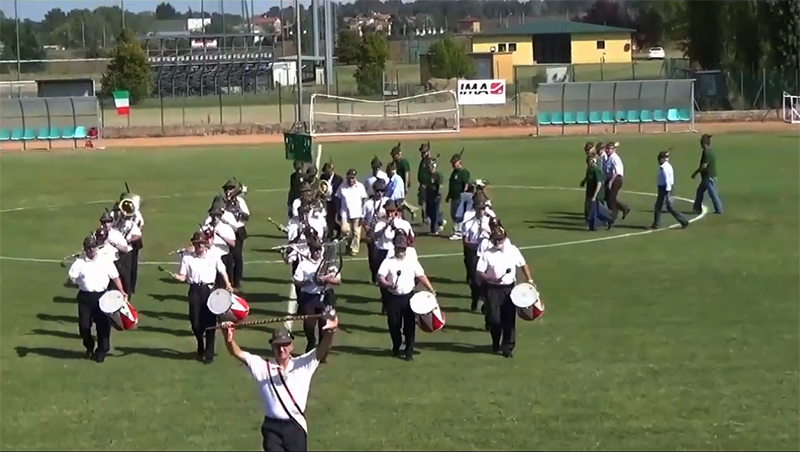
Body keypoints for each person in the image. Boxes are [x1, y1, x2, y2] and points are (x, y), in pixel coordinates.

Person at [220, 310, 339, 452]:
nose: (282, 349)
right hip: (272, 428)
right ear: (272, 347)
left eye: (285, 345)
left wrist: (331, 331)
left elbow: (323, 348)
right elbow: (237, 352)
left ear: (291, 346)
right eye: (278, 346)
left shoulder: (304, 364)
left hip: (295, 426)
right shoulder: (263, 367)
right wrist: (228, 338)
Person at [170, 231, 234, 364]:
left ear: (205, 244)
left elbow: (222, 271)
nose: (199, 246)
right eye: (196, 244)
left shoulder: (214, 256)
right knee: (195, 322)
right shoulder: (187, 258)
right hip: (195, 290)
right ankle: (200, 342)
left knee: (210, 323)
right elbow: (184, 276)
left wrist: (228, 284)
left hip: (209, 290)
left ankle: (209, 355)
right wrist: (178, 277)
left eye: (201, 244)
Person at [67, 233, 128, 363]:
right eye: (89, 248)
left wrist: (122, 291)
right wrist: (71, 281)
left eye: (93, 247)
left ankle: (101, 351)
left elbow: (115, 277)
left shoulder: (105, 261)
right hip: (85, 297)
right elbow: (71, 279)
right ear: (85, 249)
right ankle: (89, 346)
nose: (92, 250)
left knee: (103, 326)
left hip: (102, 297)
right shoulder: (79, 263)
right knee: (84, 326)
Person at [476, 227, 534, 358]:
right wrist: (489, 278)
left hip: (509, 289)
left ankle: (508, 347)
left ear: (504, 238)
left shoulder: (513, 250)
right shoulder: (487, 253)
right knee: (494, 319)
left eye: (500, 240)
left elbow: (523, 264)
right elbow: (479, 272)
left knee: (509, 319)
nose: (497, 243)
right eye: (495, 240)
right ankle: (496, 342)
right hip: (492, 289)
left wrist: (529, 279)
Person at [377, 234, 436, 361]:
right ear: (395, 248)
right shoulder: (388, 262)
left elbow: (421, 276)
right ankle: (396, 345)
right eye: (399, 248)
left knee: (409, 326)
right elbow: (380, 277)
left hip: (409, 297)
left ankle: (409, 351)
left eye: (403, 248)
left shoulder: (412, 262)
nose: (401, 251)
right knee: (394, 324)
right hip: (393, 298)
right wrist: (388, 285)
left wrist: (431, 289)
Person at [292, 240, 342, 353]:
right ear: (311, 250)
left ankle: (322, 350)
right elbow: (297, 282)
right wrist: (310, 280)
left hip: (326, 296)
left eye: (319, 249)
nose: (317, 252)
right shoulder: (303, 265)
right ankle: (311, 341)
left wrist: (327, 279)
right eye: (315, 250)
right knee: (309, 325)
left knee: (324, 325)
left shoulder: (328, 264)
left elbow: (338, 281)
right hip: (309, 297)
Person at [461, 198, 493, 311]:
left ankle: (485, 301)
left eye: (483, 209)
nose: (481, 211)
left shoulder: (490, 222)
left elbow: (497, 237)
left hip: (487, 252)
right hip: (474, 252)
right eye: (479, 209)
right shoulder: (469, 223)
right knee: (475, 279)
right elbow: (465, 240)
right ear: (475, 209)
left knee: (487, 278)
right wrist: (473, 246)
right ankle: (475, 297)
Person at [222, 179, 250, 290]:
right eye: (226, 189)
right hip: (226, 231)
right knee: (227, 257)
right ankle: (227, 281)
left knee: (237, 257)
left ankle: (237, 281)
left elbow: (247, 216)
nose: (228, 191)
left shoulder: (240, 201)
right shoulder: (223, 201)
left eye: (230, 189)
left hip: (238, 230)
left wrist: (238, 211)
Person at [652, 150, 689, 229]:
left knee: (670, 207)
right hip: (663, 188)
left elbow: (668, 180)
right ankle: (656, 223)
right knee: (658, 206)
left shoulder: (665, 168)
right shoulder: (665, 167)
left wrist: (668, 192)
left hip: (665, 189)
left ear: (662, 159)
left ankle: (683, 221)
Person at [362, 179, 389, 284]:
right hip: (372, 234)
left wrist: (384, 216)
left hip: (384, 234)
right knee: (373, 258)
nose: (379, 193)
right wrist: (366, 227)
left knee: (384, 256)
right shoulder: (368, 204)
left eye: (382, 191)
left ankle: (383, 277)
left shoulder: (387, 201)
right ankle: (374, 274)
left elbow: (394, 215)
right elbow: (363, 219)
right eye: (377, 191)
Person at [336, 169, 368, 255]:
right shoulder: (342, 186)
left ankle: (354, 249)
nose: (351, 180)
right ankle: (348, 244)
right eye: (349, 178)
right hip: (345, 213)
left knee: (356, 232)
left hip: (357, 212)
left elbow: (364, 199)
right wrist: (338, 211)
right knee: (345, 230)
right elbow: (338, 198)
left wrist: (363, 214)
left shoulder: (360, 186)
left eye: (353, 178)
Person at [692, 134, 723, 214]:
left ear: (703, 143)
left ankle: (719, 209)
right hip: (708, 176)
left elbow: (704, 165)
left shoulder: (707, 152)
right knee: (700, 191)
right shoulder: (709, 151)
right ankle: (697, 207)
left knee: (712, 193)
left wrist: (696, 173)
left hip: (708, 177)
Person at [602, 142, 631, 229]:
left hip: (615, 180)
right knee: (608, 198)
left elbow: (616, 172)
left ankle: (612, 218)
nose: (607, 150)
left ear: (613, 149)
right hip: (610, 179)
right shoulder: (608, 158)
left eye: (609, 149)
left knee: (610, 200)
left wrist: (610, 182)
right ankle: (624, 208)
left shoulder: (615, 158)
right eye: (606, 148)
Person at [584, 151, 613, 231]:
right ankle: (608, 219)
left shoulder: (596, 170)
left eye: (589, 161)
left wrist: (595, 195)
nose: (587, 162)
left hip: (597, 194)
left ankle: (594, 226)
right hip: (590, 192)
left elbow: (599, 183)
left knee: (594, 211)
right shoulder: (590, 169)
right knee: (596, 210)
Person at [446, 153, 471, 240]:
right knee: (453, 215)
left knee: (458, 215)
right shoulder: (454, 172)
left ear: (459, 162)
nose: (453, 165)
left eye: (454, 163)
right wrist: (448, 195)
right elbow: (451, 184)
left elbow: (466, 185)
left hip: (459, 197)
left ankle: (459, 232)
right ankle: (456, 231)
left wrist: (463, 195)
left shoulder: (464, 173)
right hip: (453, 197)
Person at [320, 162, 344, 240]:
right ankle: (330, 234)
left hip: (335, 202)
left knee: (336, 219)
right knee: (327, 218)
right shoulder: (323, 177)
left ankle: (339, 233)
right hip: (326, 202)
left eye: (328, 171)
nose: (326, 173)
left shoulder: (338, 179)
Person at [423, 158, 445, 234]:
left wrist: (438, 194)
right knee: (429, 212)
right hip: (429, 195)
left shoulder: (438, 175)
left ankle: (434, 229)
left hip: (435, 196)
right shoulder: (428, 175)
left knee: (434, 213)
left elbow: (440, 186)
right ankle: (441, 219)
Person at [417, 142, 433, 222]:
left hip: (427, 186)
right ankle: (425, 218)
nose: (422, 154)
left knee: (427, 203)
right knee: (422, 203)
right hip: (422, 185)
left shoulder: (430, 161)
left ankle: (431, 218)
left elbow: (432, 173)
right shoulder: (423, 161)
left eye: (423, 152)